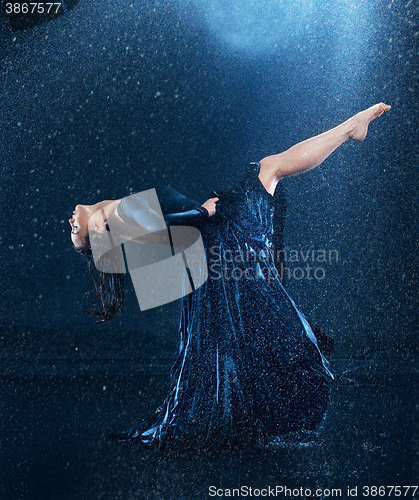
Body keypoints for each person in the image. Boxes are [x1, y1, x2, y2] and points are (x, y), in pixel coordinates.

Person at [69, 103, 391, 449]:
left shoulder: (104, 213)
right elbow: (158, 219)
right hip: (221, 230)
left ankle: (350, 127)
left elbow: (157, 216)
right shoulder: (105, 220)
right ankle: (351, 128)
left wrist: (194, 212)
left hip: (215, 233)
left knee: (271, 168)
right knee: (270, 168)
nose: (72, 222)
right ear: (94, 236)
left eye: (72, 227)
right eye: (76, 232)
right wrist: (198, 210)